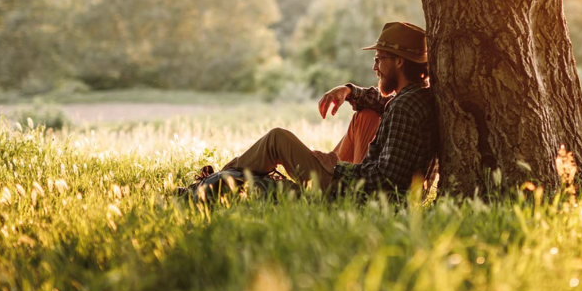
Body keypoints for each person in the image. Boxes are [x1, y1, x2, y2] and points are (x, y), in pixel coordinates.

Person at [178, 22, 437, 199]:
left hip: (358, 195)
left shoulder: (404, 109)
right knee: (364, 115)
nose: (375, 67)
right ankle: (216, 181)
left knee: (278, 139)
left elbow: (385, 180)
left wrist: (335, 167)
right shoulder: (412, 99)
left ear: (399, 62)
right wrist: (349, 91)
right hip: (362, 185)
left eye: (379, 59)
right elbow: (381, 103)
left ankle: (201, 189)